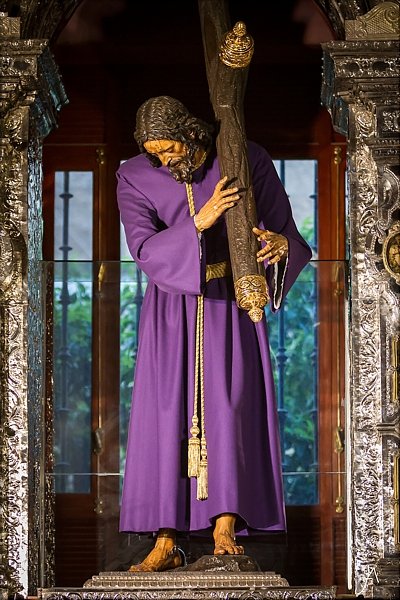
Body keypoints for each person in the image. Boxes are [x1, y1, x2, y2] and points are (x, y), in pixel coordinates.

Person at [117, 95, 312, 572]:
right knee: (166, 412)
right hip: (171, 308)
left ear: (191, 134)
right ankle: (165, 538)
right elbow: (143, 249)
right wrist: (199, 221)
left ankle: (225, 524)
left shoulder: (244, 158)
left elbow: (288, 234)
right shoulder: (134, 175)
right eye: (154, 153)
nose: (163, 161)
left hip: (230, 302)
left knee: (229, 406)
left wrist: (280, 246)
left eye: (169, 150)